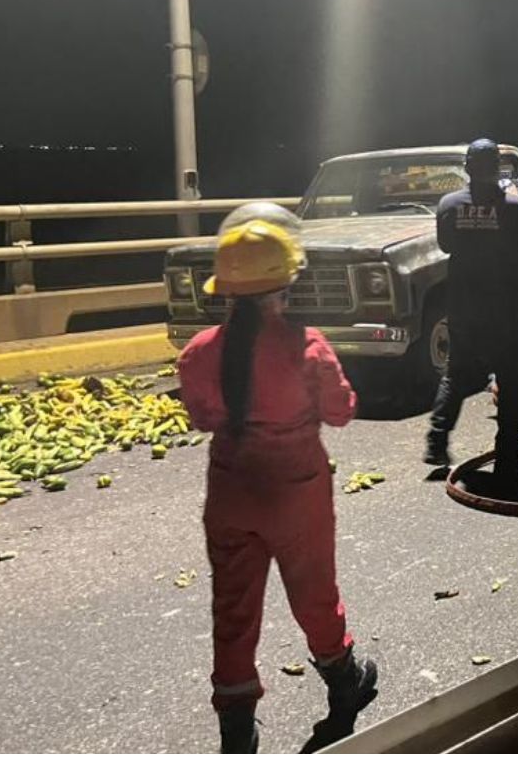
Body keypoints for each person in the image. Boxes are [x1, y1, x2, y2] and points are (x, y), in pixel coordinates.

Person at [177, 204, 376, 754]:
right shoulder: (307, 344)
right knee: (315, 595)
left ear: (225, 290)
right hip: (297, 495)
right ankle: (345, 686)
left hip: (231, 495)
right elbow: (341, 411)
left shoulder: (197, 354)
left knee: (233, 611)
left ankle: (237, 732)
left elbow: (202, 418)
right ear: (284, 286)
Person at [425, 139, 518, 473]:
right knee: (510, 381)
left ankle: (437, 443)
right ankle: (508, 457)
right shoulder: (514, 206)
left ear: (467, 168)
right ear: (498, 169)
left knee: (454, 374)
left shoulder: (448, 204)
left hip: (462, 308)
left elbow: (446, 244)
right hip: (502, 311)